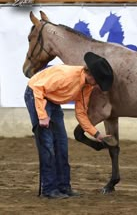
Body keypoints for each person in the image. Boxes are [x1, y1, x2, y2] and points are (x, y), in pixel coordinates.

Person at [24, 52, 115, 199]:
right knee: (47, 145)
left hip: (52, 101)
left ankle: (64, 187)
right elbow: (37, 88)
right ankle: (49, 189)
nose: (97, 84)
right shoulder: (66, 75)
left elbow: (81, 112)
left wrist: (96, 134)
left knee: (61, 144)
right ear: (91, 75)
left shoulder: (87, 86)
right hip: (36, 96)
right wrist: (42, 115)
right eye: (98, 80)